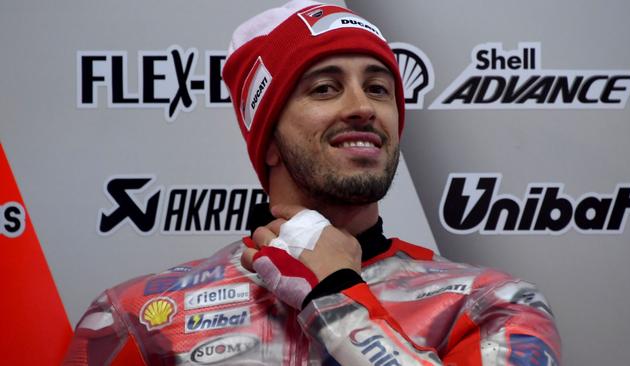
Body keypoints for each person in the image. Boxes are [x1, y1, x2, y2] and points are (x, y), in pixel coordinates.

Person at [64, 1, 561, 365]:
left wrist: (335, 296)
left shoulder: (492, 303)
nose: (363, 106)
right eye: (325, 87)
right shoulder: (141, 316)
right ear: (269, 143)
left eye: (378, 88)